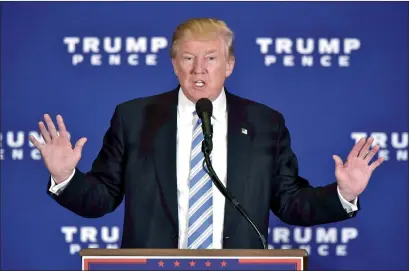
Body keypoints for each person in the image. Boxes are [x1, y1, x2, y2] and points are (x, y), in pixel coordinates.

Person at [29, 18, 384, 249]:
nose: (199, 70)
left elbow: (289, 202)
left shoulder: (265, 123)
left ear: (229, 65)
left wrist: (343, 194)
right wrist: (65, 176)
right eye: (188, 58)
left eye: (211, 58)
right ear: (174, 63)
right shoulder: (134, 118)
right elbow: (102, 198)